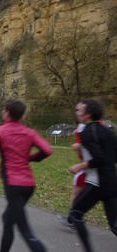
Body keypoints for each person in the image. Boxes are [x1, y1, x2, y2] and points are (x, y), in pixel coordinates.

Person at [0, 100, 52, 252]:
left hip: (13, 185)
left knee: (25, 231)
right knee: (8, 220)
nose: (2, 112)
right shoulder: (29, 132)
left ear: (7, 112)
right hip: (29, 185)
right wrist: (31, 158)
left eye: (3, 110)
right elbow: (47, 150)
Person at [67, 100, 117, 252]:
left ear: (87, 115)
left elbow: (99, 158)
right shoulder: (107, 130)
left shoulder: (87, 132)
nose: (77, 113)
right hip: (112, 182)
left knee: (75, 214)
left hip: (96, 183)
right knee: (114, 225)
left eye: (80, 111)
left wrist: (80, 166)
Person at [57, 122, 89, 228]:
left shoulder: (87, 131)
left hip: (88, 168)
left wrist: (78, 146)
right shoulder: (94, 128)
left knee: (76, 193)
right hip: (88, 167)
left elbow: (88, 148)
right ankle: (73, 219)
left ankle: (73, 220)